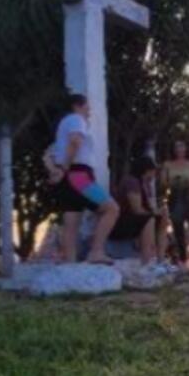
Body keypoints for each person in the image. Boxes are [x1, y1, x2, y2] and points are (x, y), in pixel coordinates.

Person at [49, 93, 118, 264]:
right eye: (87, 106)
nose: (89, 110)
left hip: (68, 177)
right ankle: (96, 251)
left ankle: (70, 265)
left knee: (71, 224)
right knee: (112, 209)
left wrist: (59, 171)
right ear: (77, 106)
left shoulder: (63, 124)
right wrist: (65, 168)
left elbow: (50, 154)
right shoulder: (76, 119)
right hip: (79, 175)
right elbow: (75, 142)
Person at [161, 140, 189, 269]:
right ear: (173, 150)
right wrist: (174, 182)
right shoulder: (167, 164)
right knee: (178, 231)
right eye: (176, 147)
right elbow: (163, 182)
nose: (179, 149)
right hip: (175, 198)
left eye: (182, 146)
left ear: (186, 149)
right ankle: (182, 262)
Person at [108, 157, 157, 264]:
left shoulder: (145, 185)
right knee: (149, 219)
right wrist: (154, 214)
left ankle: (159, 257)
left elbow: (148, 206)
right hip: (121, 221)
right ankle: (146, 260)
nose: (153, 175)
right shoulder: (132, 182)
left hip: (132, 219)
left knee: (161, 219)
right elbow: (137, 209)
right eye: (152, 171)